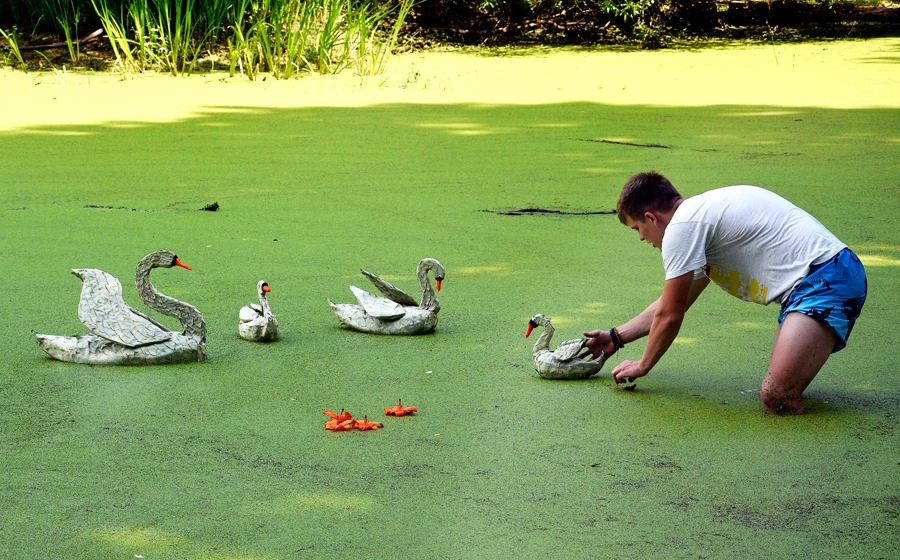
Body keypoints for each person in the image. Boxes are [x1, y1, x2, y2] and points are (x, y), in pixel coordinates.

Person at [581, 171, 867, 414]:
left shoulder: (683, 228)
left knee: (777, 397)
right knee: (780, 392)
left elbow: (671, 315)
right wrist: (616, 338)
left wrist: (643, 365)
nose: (642, 238)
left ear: (650, 217)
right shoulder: (701, 218)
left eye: (637, 229)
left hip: (827, 279)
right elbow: (669, 305)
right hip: (820, 280)